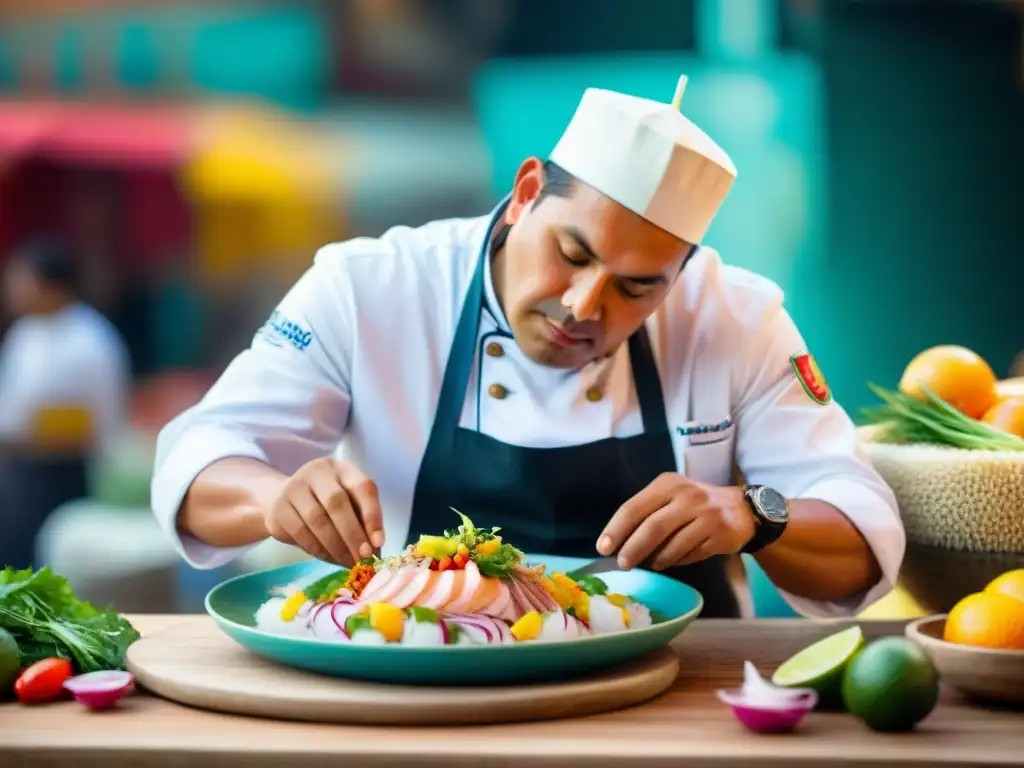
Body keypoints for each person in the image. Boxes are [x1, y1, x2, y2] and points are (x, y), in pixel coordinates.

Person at [151, 79, 904, 618]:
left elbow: (865, 535)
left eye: (636, 288)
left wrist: (755, 517)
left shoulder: (739, 316)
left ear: (681, 274)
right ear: (526, 191)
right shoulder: (369, 286)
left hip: (678, 695)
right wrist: (273, 497)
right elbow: (200, 454)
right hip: (423, 672)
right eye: (572, 253)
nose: (584, 307)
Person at [0, 235, 132, 568]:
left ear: (52, 284)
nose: (11, 288)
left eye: (21, 278)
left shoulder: (87, 339)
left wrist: (22, 440)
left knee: (43, 567)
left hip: (59, 472)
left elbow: (86, 424)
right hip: (18, 469)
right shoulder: (25, 333)